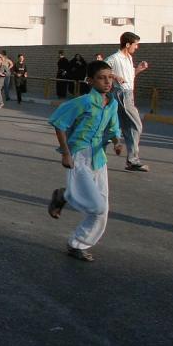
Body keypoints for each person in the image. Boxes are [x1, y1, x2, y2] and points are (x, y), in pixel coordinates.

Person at [47, 60, 123, 262]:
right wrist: (65, 153)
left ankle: (78, 244)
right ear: (90, 81)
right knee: (96, 206)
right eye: (101, 78)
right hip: (79, 155)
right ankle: (63, 195)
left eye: (110, 77)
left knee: (102, 209)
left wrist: (116, 142)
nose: (107, 82)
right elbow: (59, 124)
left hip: (99, 157)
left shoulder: (112, 103)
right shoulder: (83, 102)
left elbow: (114, 129)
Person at [106, 32, 150, 172]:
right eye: (135, 44)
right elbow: (100, 71)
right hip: (122, 94)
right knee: (136, 125)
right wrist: (114, 76)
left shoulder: (129, 58)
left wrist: (137, 70)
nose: (136, 47)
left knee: (118, 126)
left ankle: (131, 160)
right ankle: (132, 159)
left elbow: (129, 77)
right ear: (127, 44)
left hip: (128, 94)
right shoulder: (114, 58)